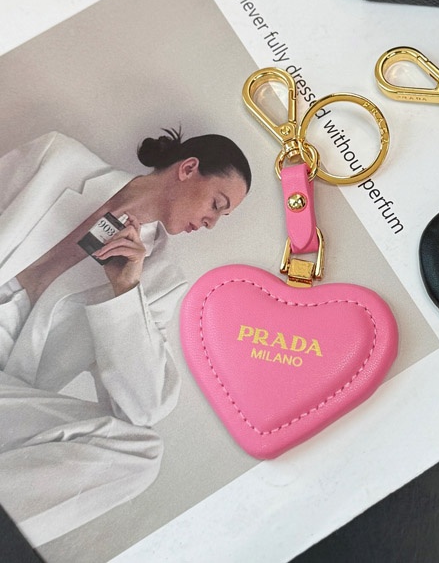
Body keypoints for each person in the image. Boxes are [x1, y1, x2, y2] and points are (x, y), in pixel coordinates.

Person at [0, 128, 251, 546]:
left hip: (8, 392)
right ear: (188, 169)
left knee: (139, 453)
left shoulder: (159, 279)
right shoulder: (57, 158)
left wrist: (125, 290)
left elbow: (143, 408)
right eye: (217, 204)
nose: (211, 222)